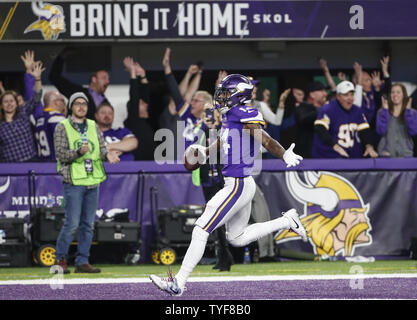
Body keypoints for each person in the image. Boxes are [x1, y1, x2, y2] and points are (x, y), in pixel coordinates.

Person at [150, 74, 306, 296]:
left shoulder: (243, 112)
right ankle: (286, 220)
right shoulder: (230, 116)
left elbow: (266, 139)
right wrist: (206, 152)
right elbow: (225, 138)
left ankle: (179, 282)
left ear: (238, 95)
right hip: (242, 183)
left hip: (238, 184)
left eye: (224, 93)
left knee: (201, 228)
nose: (220, 97)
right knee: (236, 237)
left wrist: (282, 155)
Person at [53, 92, 120, 274]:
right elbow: (60, 154)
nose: (81, 107)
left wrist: (108, 155)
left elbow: (101, 148)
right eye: (77, 104)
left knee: (88, 225)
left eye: (84, 104)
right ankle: (59, 261)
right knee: (72, 223)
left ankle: (82, 261)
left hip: (93, 181)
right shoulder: (62, 126)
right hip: (73, 180)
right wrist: (77, 152)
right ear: (70, 107)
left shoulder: (92, 125)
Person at [312, 80, 378, 158]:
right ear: (338, 96)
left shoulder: (357, 110)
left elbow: (364, 130)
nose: (350, 98)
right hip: (327, 158)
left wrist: (368, 146)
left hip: (350, 158)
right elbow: (320, 128)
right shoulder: (327, 109)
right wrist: (335, 146)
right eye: (346, 95)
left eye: (352, 94)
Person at [0, 56, 44, 162]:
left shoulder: (23, 112)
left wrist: (37, 79)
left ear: (16, 104)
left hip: (32, 162)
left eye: (12, 101)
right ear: (1, 105)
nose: (9, 104)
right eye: (5, 102)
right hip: (10, 168)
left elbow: (37, 97)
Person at [49, 48, 111, 120]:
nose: (107, 81)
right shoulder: (78, 92)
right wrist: (61, 58)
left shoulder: (106, 103)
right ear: (94, 79)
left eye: (108, 79)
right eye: (104, 78)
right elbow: (54, 77)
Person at [122, 56, 156, 160]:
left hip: (152, 165)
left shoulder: (148, 121)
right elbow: (134, 96)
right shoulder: (133, 121)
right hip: (138, 166)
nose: (144, 103)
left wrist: (142, 75)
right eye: (140, 103)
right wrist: (132, 74)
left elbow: (145, 96)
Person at [376, 83, 417, 157]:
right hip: (386, 155)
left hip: (405, 154)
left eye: (398, 92)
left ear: (403, 95)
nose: (395, 95)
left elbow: (413, 131)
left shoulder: (412, 112)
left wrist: (408, 112)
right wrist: (385, 111)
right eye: (393, 92)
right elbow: (380, 131)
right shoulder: (381, 112)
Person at [294, 81, 328, 158]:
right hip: (307, 157)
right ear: (312, 94)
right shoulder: (302, 107)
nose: (325, 94)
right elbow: (303, 119)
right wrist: (322, 110)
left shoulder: (327, 109)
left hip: (325, 154)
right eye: (321, 91)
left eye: (325, 91)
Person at [34, 90, 67, 161]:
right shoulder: (57, 118)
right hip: (56, 164)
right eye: (62, 100)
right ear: (56, 102)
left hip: (43, 164)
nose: (64, 104)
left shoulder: (39, 118)